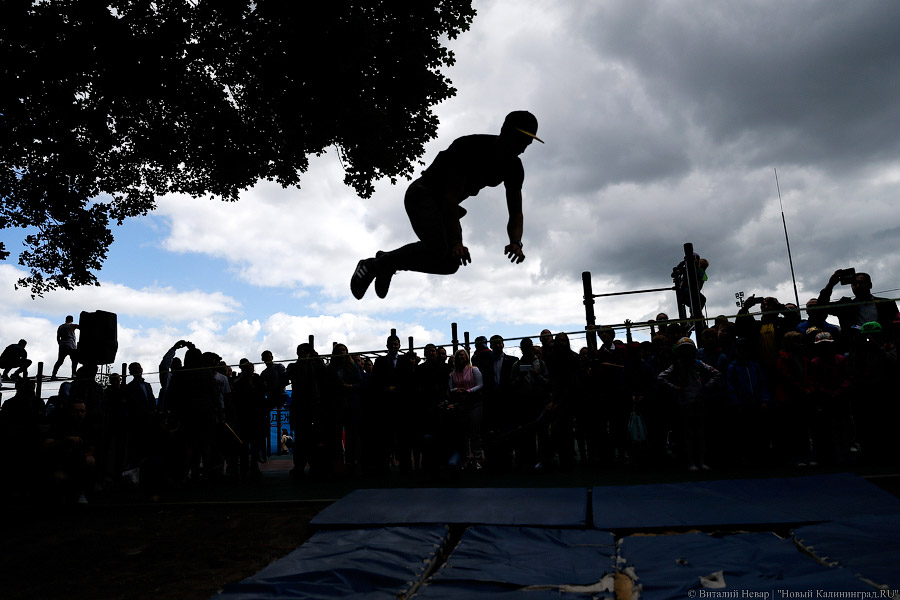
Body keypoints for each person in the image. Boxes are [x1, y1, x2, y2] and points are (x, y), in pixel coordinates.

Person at [350, 111, 542, 299]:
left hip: (443, 208)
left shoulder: (514, 167)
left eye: (527, 143)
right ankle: (372, 265)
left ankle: (387, 263)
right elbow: (449, 197)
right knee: (439, 248)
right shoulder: (469, 146)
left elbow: (516, 212)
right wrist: (457, 242)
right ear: (505, 131)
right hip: (422, 195)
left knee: (450, 264)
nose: (523, 149)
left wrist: (516, 242)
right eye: (520, 141)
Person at [51, 315, 79, 380]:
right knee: (74, 360)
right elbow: (82, 327)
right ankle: (74, 374)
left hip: (62, 345)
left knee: (60, 361)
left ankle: (53, 375)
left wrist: (60, 344)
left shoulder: (60, 327)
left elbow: (58, 337)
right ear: (72, 320)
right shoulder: (72, 325)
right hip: (71, 345)